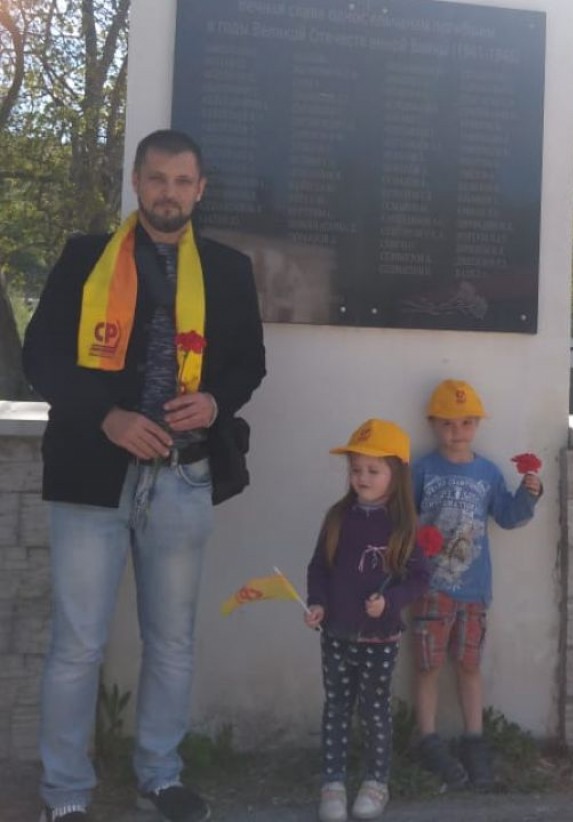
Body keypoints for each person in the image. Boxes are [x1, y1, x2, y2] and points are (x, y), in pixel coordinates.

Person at [22, 129, 267, 822]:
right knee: (78, 645)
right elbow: (41, 357)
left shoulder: (226, 269)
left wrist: (215, 402)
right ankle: (65, 793)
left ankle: (160, 776)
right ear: (136, 181)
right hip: (91, 475)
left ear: (200, 189)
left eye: (183, 181)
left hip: (182, 477)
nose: (169, 192)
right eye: (157, 178)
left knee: (172, 641)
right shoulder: (85, 258)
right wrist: (107, 417)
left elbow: (250, 363)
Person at [411, 380, 542, 791]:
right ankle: (428, 739)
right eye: (448, 423)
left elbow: (508, 516)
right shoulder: (423, 470)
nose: (457, 431)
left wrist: (529, 494)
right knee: (428, 665)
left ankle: (474, 739)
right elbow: (403, 519)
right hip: (431, 588)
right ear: (433, 424)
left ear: (477, 425)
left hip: (473, 591)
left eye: (467, 422)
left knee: (469, 665)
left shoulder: (487, 473)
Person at [305, 419, 430, 822]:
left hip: (380, 638)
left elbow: (419, 578)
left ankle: (376, 782)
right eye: (356, 469)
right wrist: (317, 603)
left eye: (373, 470)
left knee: (374, 711)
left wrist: (390, 602)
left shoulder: (404, 526)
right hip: (336, 635)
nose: (362, 477)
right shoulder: (337, 517)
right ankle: (333, 784)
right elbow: (319, 568)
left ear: (396, 475)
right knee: (336, 709)